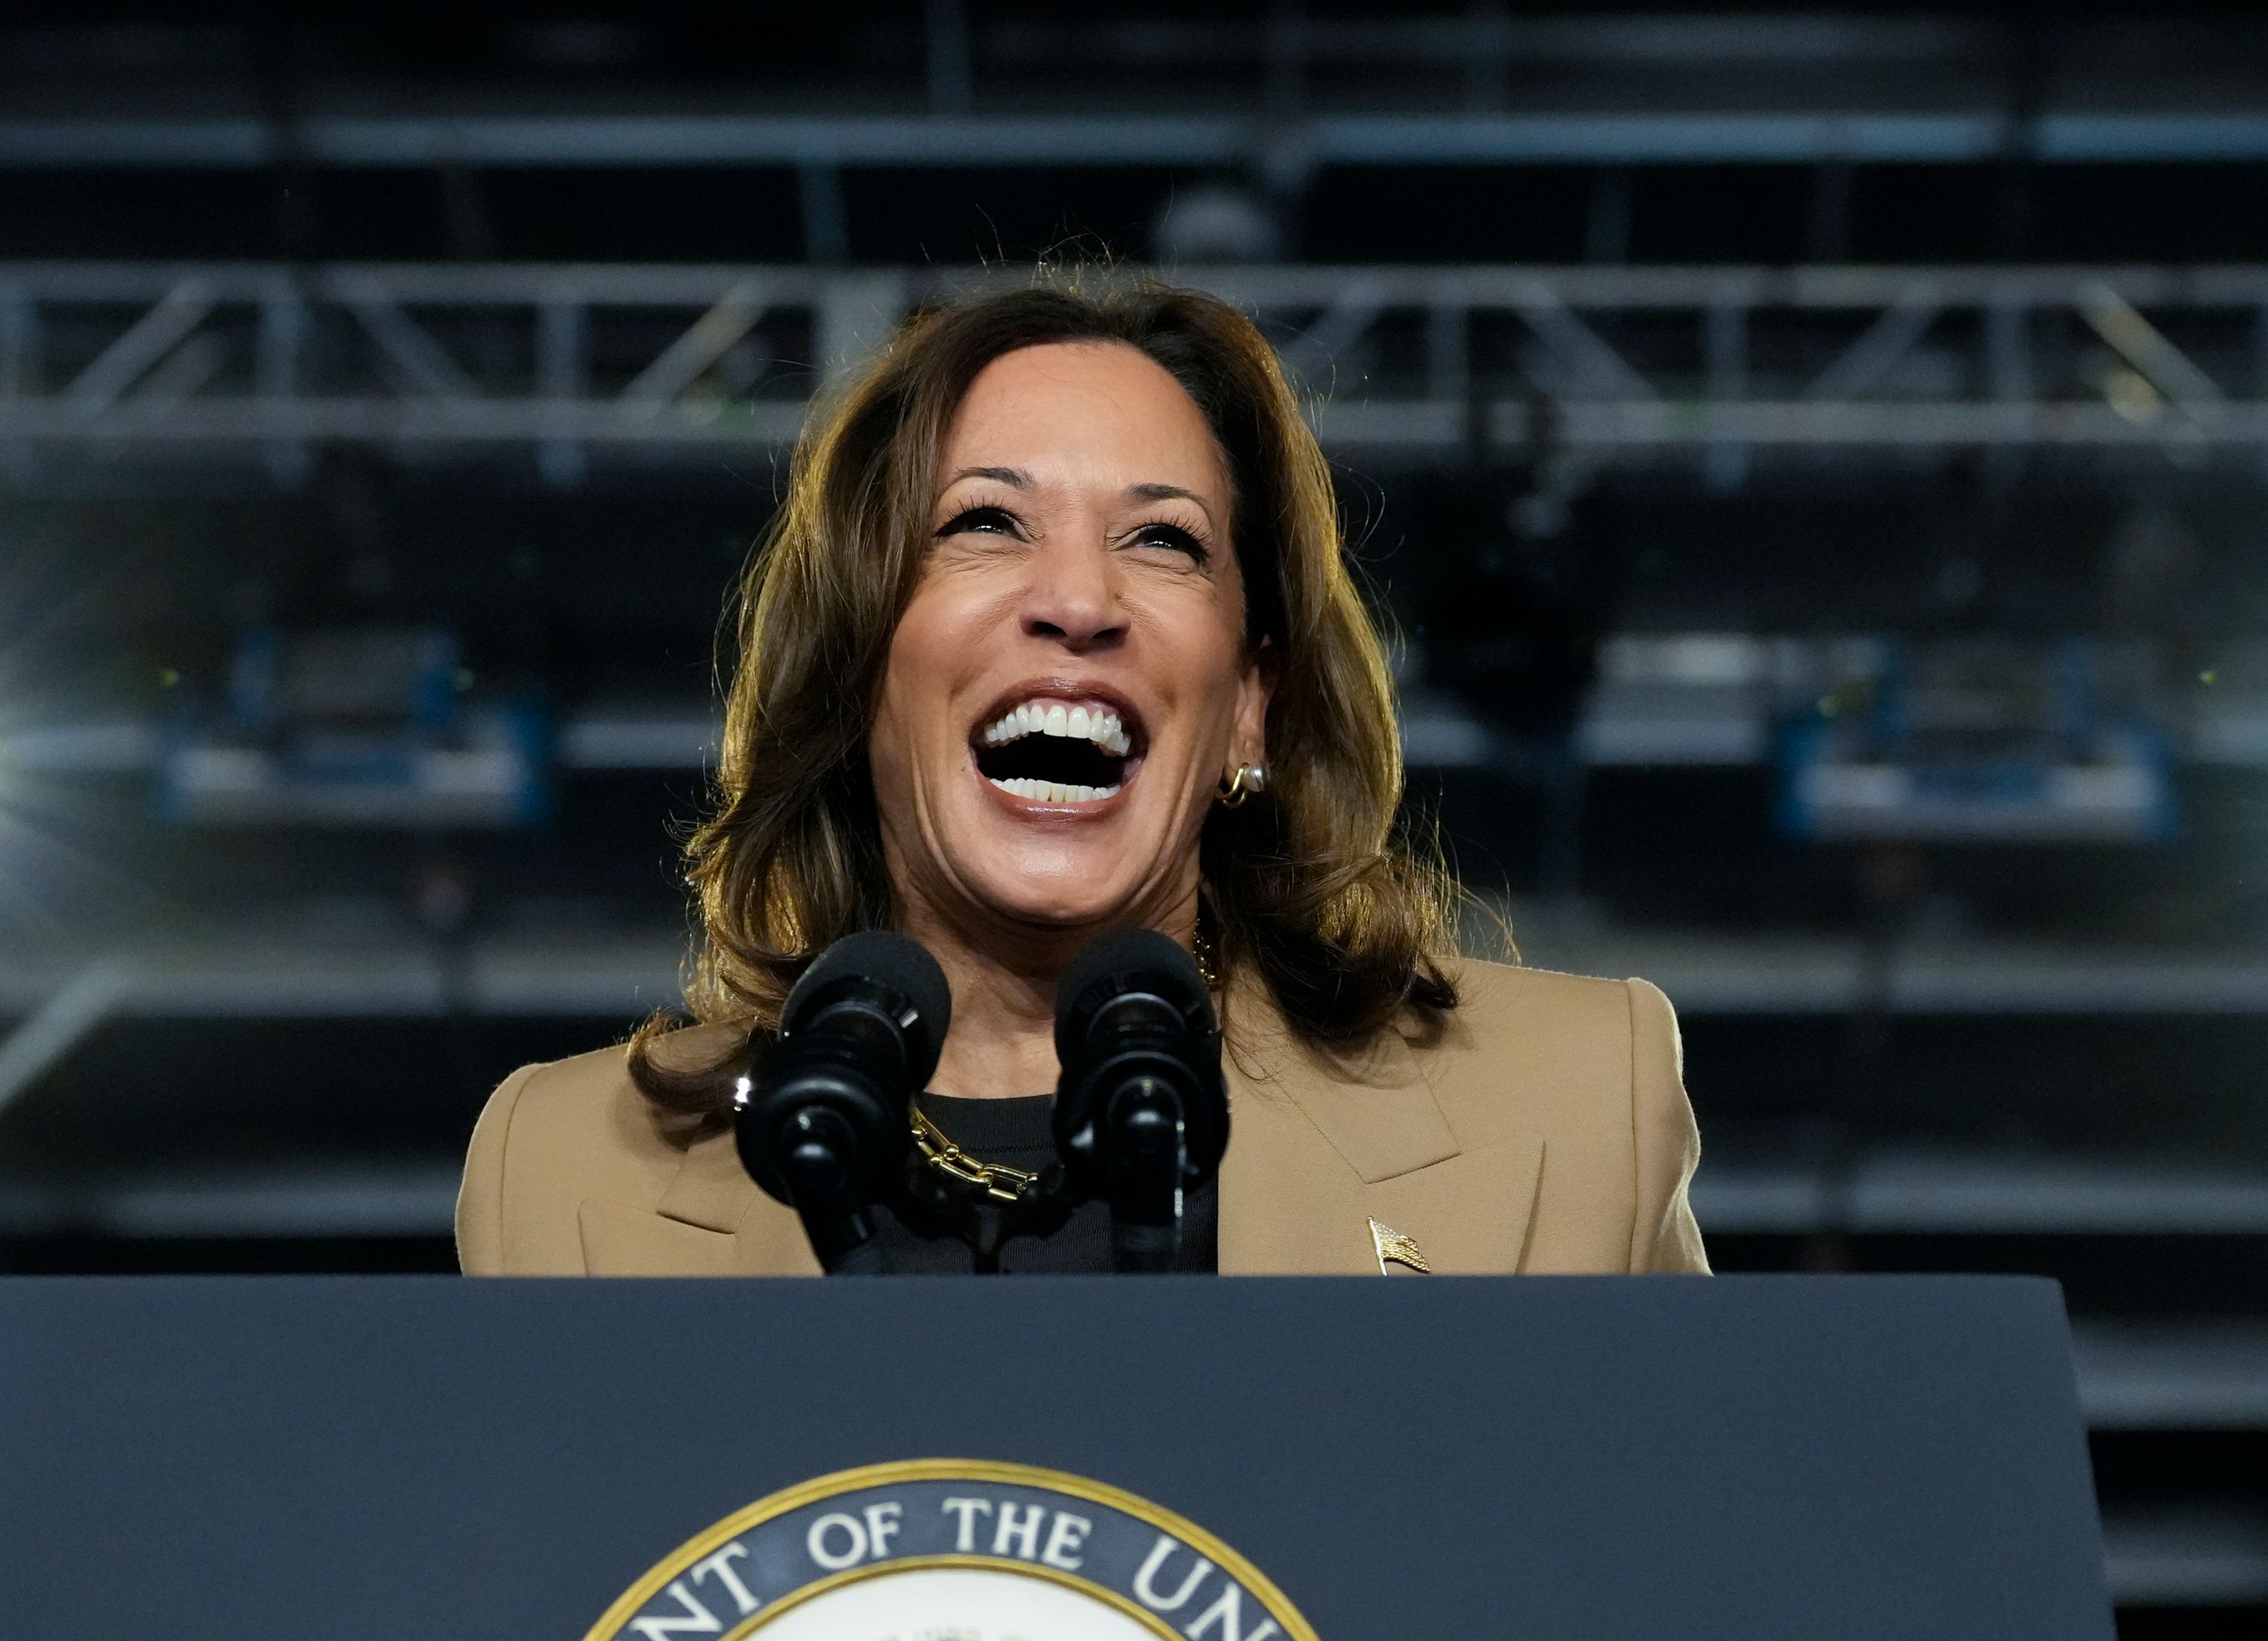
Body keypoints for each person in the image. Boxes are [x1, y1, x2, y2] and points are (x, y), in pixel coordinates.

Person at [455, 273, 1705, 1278]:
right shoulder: (565, 1182)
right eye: (985, 523)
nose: (1077, 600)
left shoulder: (1577, 1112)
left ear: (1251, 709)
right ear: (857, 672)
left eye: (1162, 540)